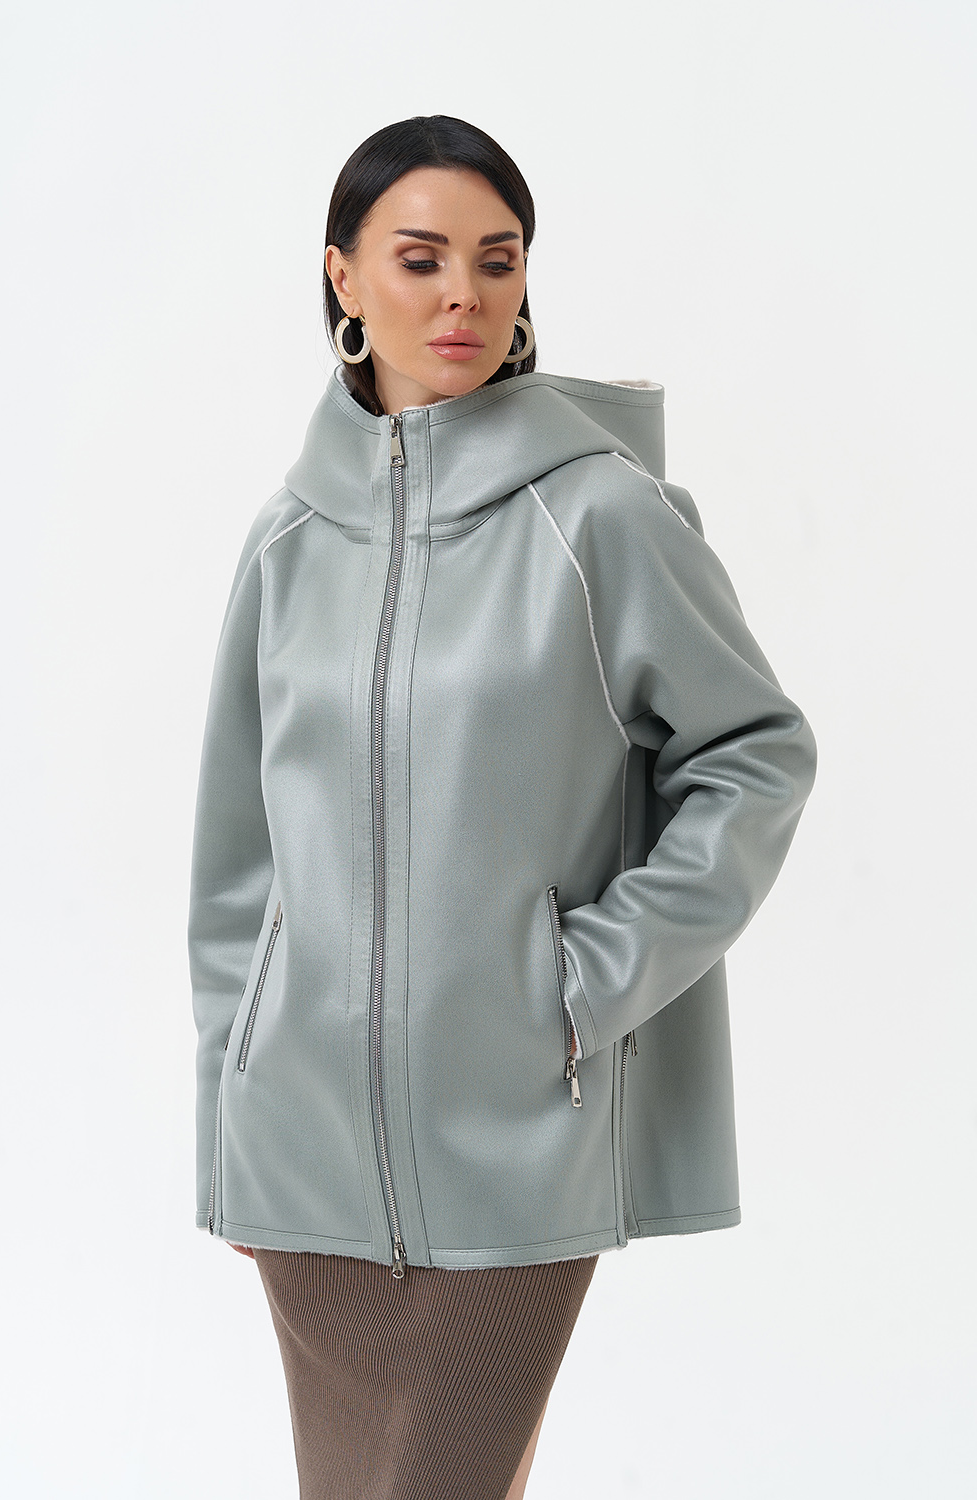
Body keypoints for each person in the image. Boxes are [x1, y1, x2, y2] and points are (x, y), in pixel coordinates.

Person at [187, 114, 818, 1500]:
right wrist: (232, 1115)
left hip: (517, 1135)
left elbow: (755, 754)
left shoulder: (598, 516)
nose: (463, 295)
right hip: (302, 1146)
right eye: (420, 259)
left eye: (498, 258)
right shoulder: (288, 540)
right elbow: (238, 864)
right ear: (344, 276)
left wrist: (585, 984)